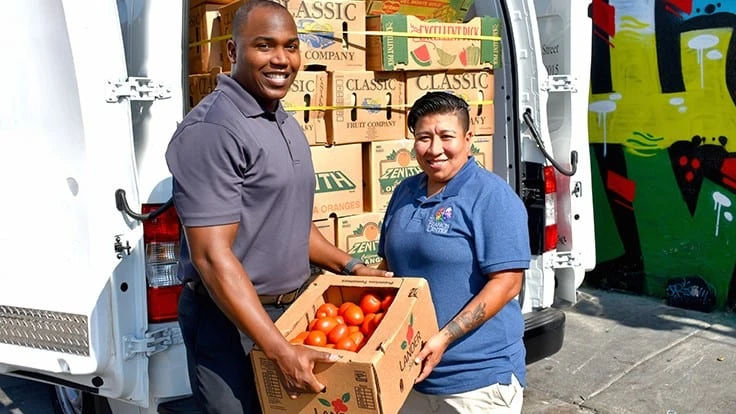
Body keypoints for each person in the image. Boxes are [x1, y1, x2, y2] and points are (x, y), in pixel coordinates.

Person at [165, 1, 390, 412]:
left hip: (294, 312)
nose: (281, 60)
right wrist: (278, 349)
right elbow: (213, 258)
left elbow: (291, 224)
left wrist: (353, 268)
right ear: (233, 52)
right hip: (231, 322)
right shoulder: (214, 130)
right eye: (264, 46)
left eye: (291, 46)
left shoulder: (280, 119)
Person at [377, 91, 530, 413]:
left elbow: (507, 282)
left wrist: (444, 338)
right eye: (423, 138)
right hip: (408, 373)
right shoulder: (406, 192)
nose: (434, 149)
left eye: (446, 136)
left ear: (468, 138)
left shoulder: (491, 197)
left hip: (476, 379)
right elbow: (390, 267)